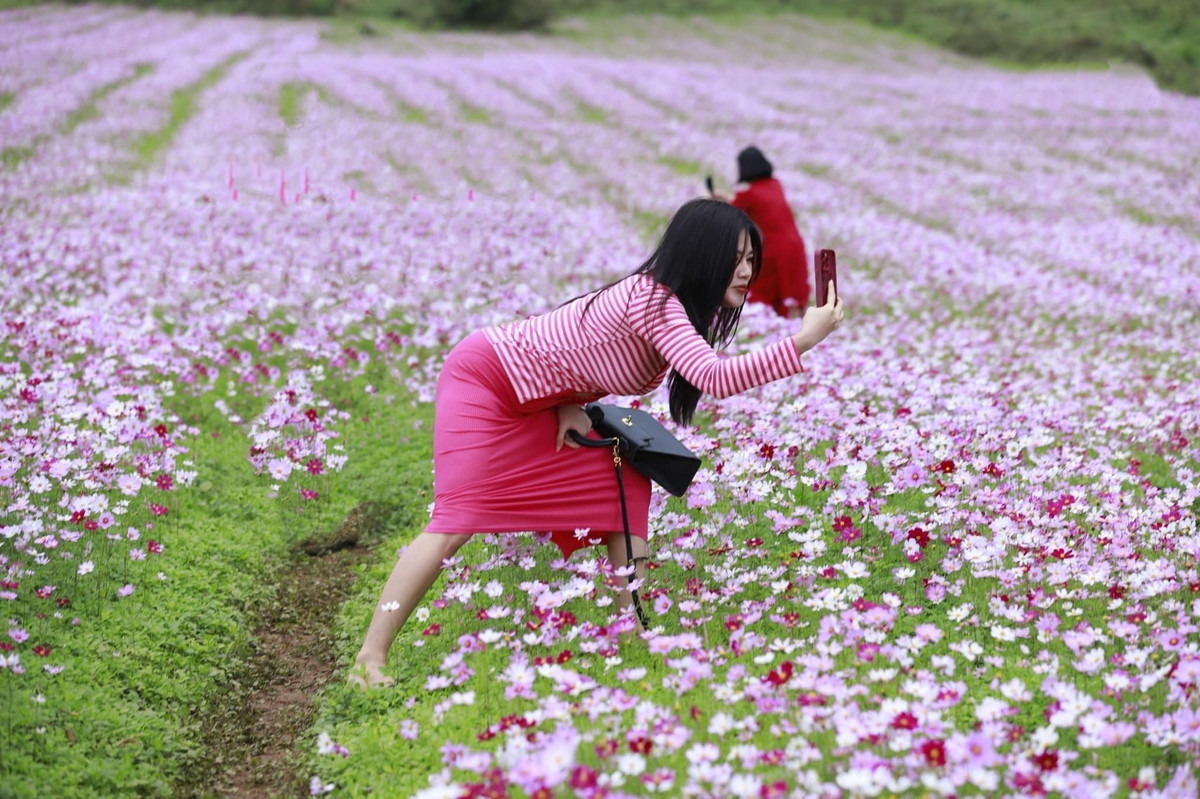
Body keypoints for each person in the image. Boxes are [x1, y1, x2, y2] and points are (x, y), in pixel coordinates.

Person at [349, 198, 843, 688]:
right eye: (735, 257)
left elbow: (574, 343)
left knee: (625, 478)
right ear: (701, 253)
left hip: (536, 396)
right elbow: (713, 377)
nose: (746, 270)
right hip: (484, 381)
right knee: (454, 522)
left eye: (752, 259)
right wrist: (802, 341)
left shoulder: (673, 308)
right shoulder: (656, 302)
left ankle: (631, 635)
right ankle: (369, 659)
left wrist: (571, 400)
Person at [710, 146, 810, 317]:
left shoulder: (748, 194)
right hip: (795, 245)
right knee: (792, 292)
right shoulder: (775, 185)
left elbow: (731, 212)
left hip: (774, 250)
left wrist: (712, 198)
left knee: (766, 292)